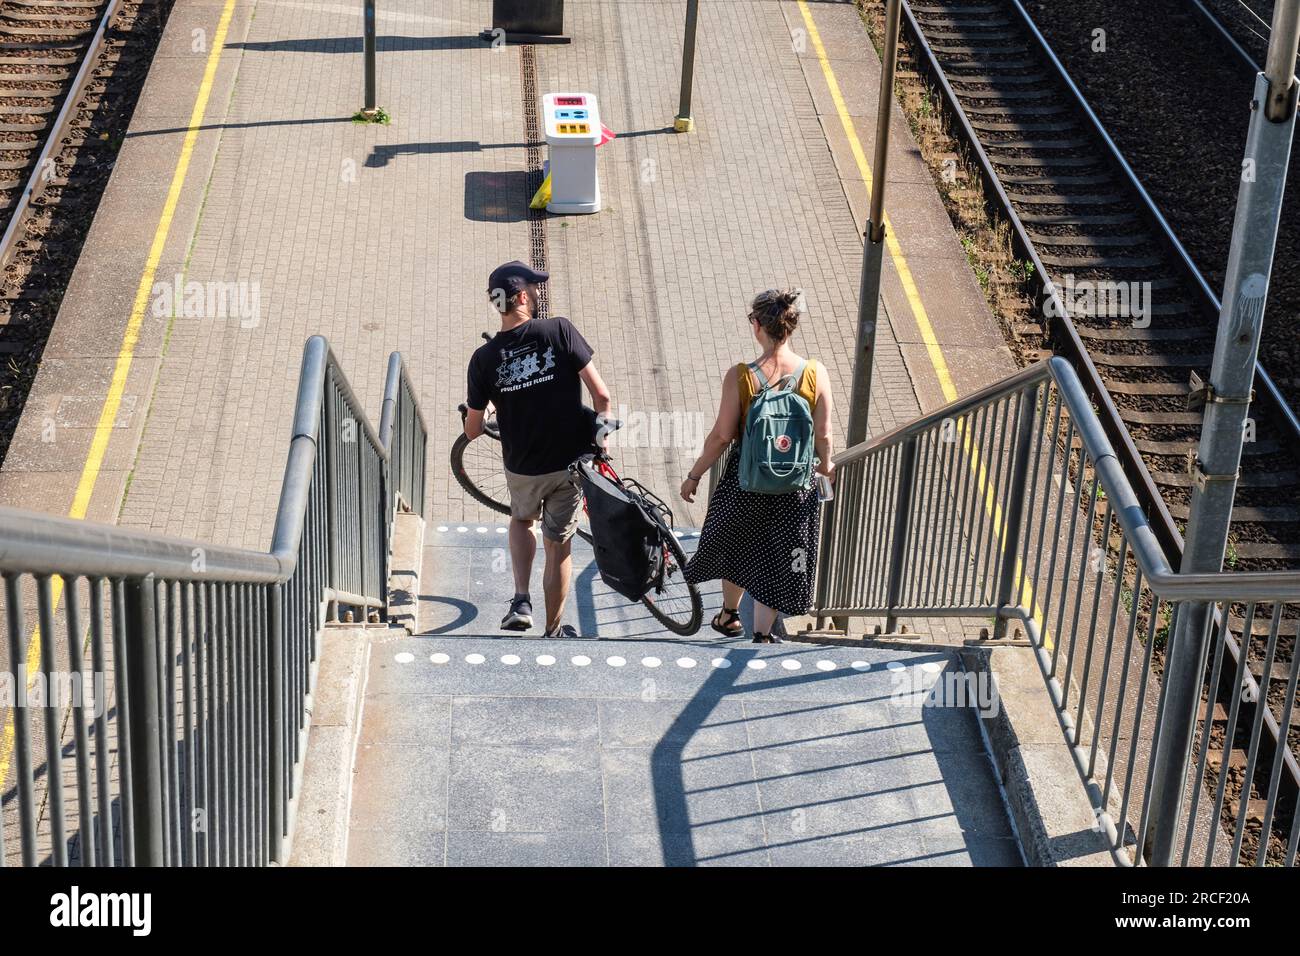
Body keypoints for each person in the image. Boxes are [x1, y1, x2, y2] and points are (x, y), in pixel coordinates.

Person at [464, 261, 612, 638]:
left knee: (520, 520)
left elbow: (474, 429)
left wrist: (476, 412)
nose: (538, 292)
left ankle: (520, 600)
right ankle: (553, 629)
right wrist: (602, 439)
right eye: (534, 287)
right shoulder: (559, 330)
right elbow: (602, 395)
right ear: (523, 297)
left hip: (523, 466)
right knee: (558, 546)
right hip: (568, 463)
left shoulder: (483, 360)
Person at [680, 289, 834, 643]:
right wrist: (825, 466)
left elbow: (721, 437)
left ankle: (730, 615)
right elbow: (823, 434)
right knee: (777, 557)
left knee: (738, 545)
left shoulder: (741, 377)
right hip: (795, 485)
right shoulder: (815, 373)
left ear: (757, 326)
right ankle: (762, 635)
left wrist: (694, 475)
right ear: (790, 327)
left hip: (745, 480)